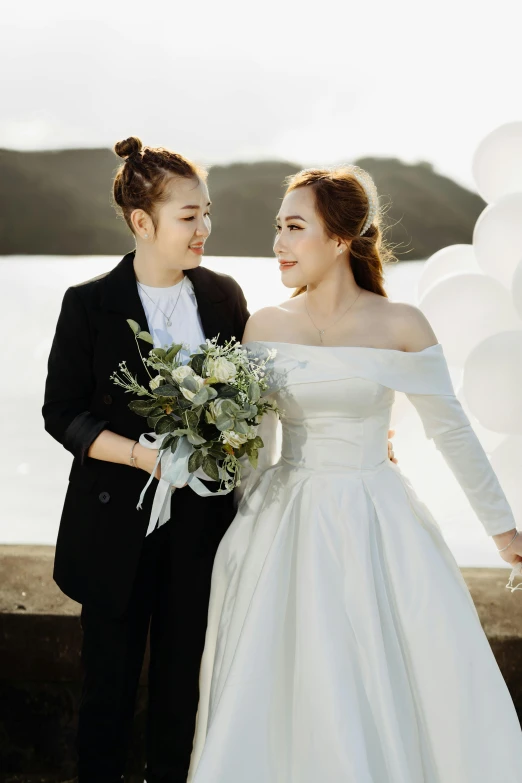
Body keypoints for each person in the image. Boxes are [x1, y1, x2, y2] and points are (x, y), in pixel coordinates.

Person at [187, 165, 522, 783]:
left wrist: (506, 535)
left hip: (375, 521)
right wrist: (235, 532)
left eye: (294, 228)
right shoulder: (264, 326)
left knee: (379, 676)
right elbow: (253, 453)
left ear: (341, 239)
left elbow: (453, 433)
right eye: (277, 228)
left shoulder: (401, 326)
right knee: (278, 685)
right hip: (280, 524)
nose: (278, 244)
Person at [42, 137, 251, 783]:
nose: (204, 229)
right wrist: (139, 454)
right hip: (113, 530)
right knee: (106, 699)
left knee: (182, 696)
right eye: (189, 216)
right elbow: (62, 413)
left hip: (203, 530)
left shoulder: (222, 296)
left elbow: (252, 396)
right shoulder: (88, 303)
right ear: (142, 221)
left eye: (207, 212)